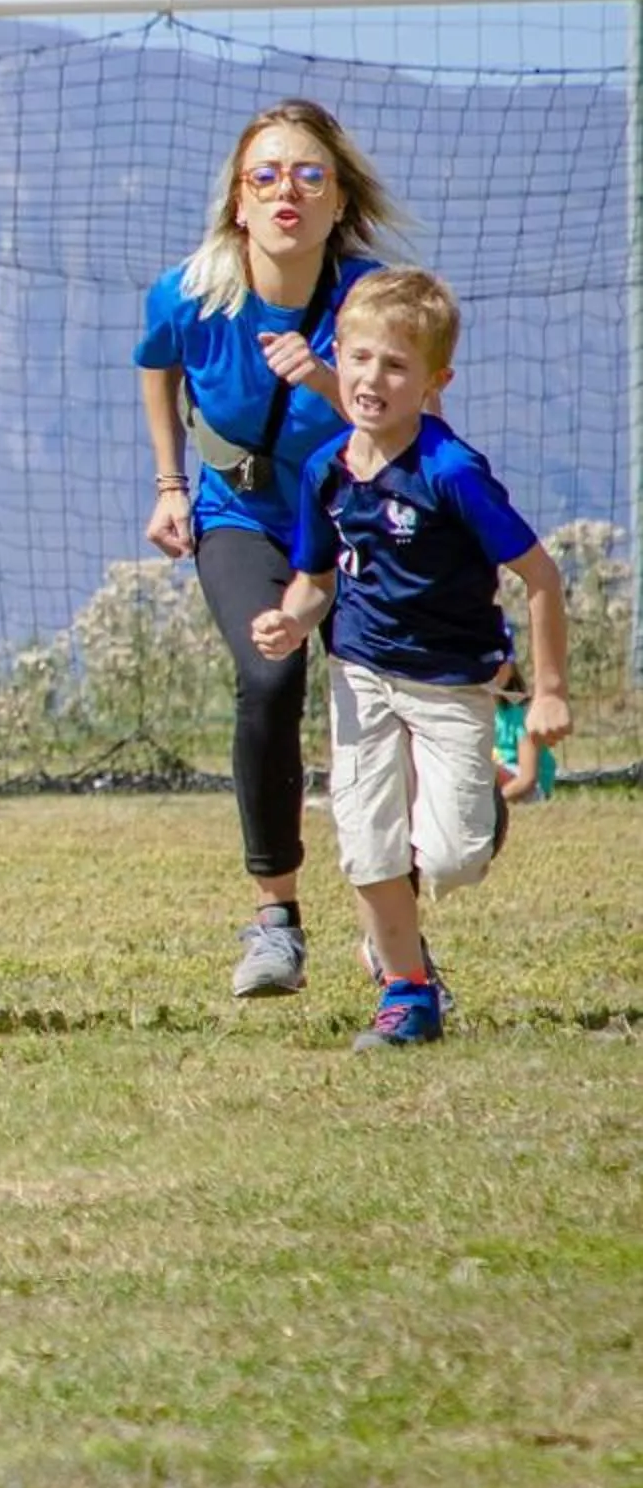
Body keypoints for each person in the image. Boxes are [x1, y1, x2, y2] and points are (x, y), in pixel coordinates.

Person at [250, 269, 571, 1050]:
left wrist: (549, 693)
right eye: (359, 359)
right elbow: (316, 579)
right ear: (339, 357)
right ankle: (405, 991)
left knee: (454, 856)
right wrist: (292, 621)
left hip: (450, 683)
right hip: (359, 674)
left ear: (435, 381)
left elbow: (539, 576)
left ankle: (473, 818)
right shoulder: (327, 470)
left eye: (397, 366)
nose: (371, 380)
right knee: (366, 841)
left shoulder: (451, 472)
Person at [136, 99, 407, 1000]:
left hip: (355, 518)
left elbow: (416, 423)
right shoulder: (187, 294)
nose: (285, 189)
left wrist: (325, 375)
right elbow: (155, 363)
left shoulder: (375, 299)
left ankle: (392, 930)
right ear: (238, 202)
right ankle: (275, 921)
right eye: (265, 175)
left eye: (308, 175)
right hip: (243, 517)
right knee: (268, 675)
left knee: (375, 699)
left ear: (338, 202)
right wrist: (172, 486)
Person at [493, 660, 559, 805]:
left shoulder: (522, 715)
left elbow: (527, 780)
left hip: (529, 788)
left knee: (481, 767)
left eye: (498, 663)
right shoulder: (478, 715)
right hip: (495, 783)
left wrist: (495, 804)